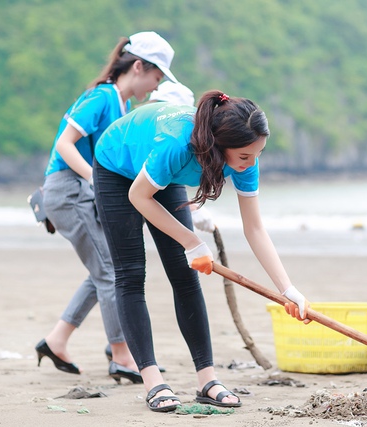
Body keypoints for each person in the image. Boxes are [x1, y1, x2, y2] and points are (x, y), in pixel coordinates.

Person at [92, 90, 310, 412]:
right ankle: (153, 381)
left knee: (184, 274)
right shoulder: (178, 146)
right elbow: (139, 197)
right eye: (245, 157)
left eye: (258, 154)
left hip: (157, 172)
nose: (251, 164)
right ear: (217, 146)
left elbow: (254, 229)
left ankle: (207, 380)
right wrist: (193, 241)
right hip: (117, 167)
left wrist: (288, 289)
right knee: (131, 274)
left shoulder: (245, 158)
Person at [36, 31, 178, 383]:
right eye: (156, 78)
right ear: (139, 67)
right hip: (68, 189)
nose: (155, 87)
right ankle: (122, 353)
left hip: (79, 190)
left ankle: (56, 341)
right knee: (111, 272)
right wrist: (96, 181)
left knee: (105, 268)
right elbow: (65, 145)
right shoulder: (101, 97)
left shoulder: (122, 105)